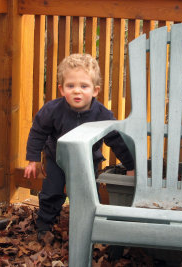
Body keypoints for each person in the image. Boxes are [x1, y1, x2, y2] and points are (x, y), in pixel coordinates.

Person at [24, 53, 135, 241]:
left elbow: (117, 140)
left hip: (86, 160)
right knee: (52, 192)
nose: (77, 91)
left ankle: (92, 224)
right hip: (57, 159)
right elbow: (38, 132)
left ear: (95, 90)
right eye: (70, 86)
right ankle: (44, 226)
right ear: (61, 89)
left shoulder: (102, 115)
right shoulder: (52, 110)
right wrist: (33, 160)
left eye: (84, 86)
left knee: (87, 194)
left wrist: (131, 166)